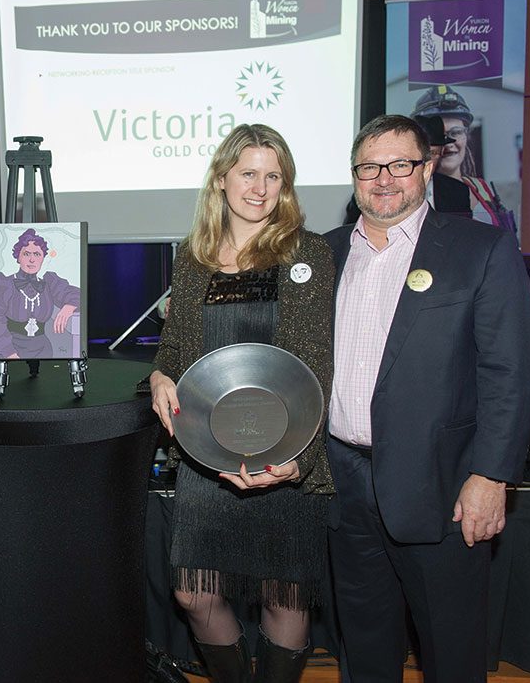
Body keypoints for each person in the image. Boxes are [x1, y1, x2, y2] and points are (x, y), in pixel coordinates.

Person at [325, 114, 530, 682]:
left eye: (400, 164)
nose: (384, 179)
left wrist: (491, 476)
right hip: (343, 488)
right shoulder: (322, 256)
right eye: (369, 166)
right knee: (364, 649)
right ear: (353, 176)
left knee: (451, 653)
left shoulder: (480, 249)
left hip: (443, 489)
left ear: (426, 168)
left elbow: (509, 373)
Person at [149, 124, 335, 682]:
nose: (259, 188)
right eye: (248, 173)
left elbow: (313, 369)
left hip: (284, 449)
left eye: (273, 176)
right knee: (193, 594)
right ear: (222, 179)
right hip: (207, 453)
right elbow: (176, 347)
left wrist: (295, 460)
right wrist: (160, 375)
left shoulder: (306, 252)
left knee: (285, 599)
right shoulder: (193, 255)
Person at [411, 84, 517, 232]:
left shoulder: (481, 188)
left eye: (456, 132)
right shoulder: (413, 192)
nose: (448, 144)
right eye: (439, 135)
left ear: (466, 136)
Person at [344, 114, 471, 223]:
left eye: (432, 153)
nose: (384, 181)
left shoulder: (458, 191)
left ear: (442, 152)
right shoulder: (369, 197)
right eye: (401, 164)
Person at [0, 227, 80, 359]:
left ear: (43, 258)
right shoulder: (1, 284)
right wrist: (9, 353)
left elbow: (77, 294)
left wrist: (69, 307)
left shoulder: (49, 283)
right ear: (18, 257)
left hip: (43, 351)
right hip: (8, 351)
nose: (32, 260)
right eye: (27, 254)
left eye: (37, 254)